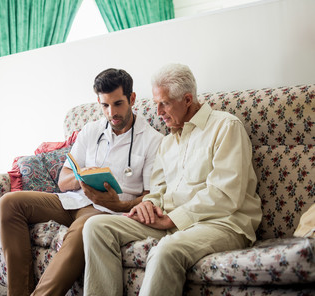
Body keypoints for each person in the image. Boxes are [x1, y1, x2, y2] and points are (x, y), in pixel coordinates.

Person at [82, 63, 262, 296]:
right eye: (156, 104)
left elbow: (225, 195)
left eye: (164, 103)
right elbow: (158, 190)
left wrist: (173, 220)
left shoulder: (225, 127)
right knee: (96, 227)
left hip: (223, 223)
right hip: (171, 222)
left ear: (187, 99)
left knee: (166, 250)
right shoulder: (167, 143)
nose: (158, 112)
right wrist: (149, 205)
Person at [0, 68, 164, 296]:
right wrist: (84, 174)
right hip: (74, 201)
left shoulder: (153, 140)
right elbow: (63, 180)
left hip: (106, 212)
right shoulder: (91, 130)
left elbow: (151, 195)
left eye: (118, 104)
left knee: (83, 230)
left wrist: (116, 203)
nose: (111, 113)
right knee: (10, 202)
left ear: (132, 99)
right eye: (105, 105)